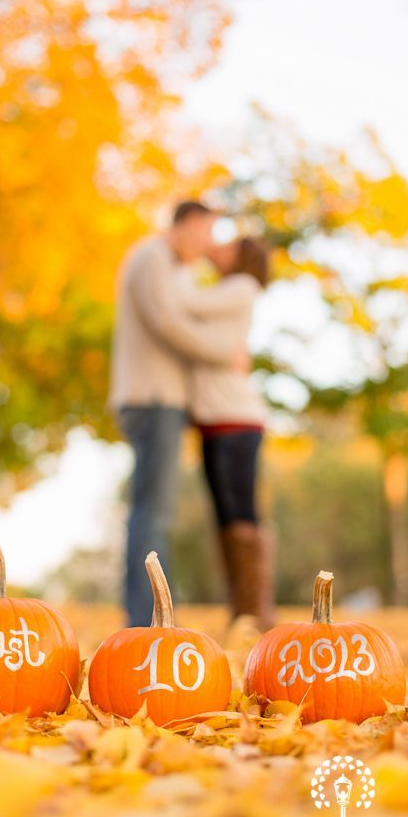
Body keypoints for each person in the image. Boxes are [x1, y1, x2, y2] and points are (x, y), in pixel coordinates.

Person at [109, 201, 242, 626]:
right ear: (185, 224)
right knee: (153, 512)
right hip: (151, 399)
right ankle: (145, 618)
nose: (208, 245)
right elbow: (166, 322)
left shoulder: (175, 270)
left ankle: (151, 615)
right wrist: (226, 353)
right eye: (206, 233)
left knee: (155, 510)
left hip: (165, 402)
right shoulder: (151, 257)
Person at [177, 236, 275, 629]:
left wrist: (188, 255)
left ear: (244, 256)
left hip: (237, 417)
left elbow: (186, 303)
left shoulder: (241, 287)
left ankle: (257, 609)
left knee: (241, 512)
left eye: (229, 245)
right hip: (214, 420)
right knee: (224, 515)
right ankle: (241, 610)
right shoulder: (223, 291)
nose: (219, 247)